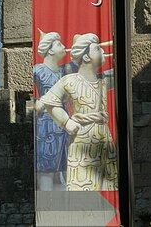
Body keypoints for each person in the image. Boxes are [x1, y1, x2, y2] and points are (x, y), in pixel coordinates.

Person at [41, 33, 118, 191]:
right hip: (82, 139)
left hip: (104, 140)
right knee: (83, 188)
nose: (103, 52)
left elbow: (120, 73)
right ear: (87, 57)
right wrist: (67, 122)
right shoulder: (69, 80)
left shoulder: (103, 81)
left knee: (109, 187)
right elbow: (49, 101)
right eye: (98, 49)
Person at [34, 30, 69, 191]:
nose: (64, 46)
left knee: (65, 166)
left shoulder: (65, 71)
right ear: (50, 50)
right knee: (46, 167)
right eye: (59, 44)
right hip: (46, 123)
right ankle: (46, 202)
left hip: (63, 121)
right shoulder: (38, 70)